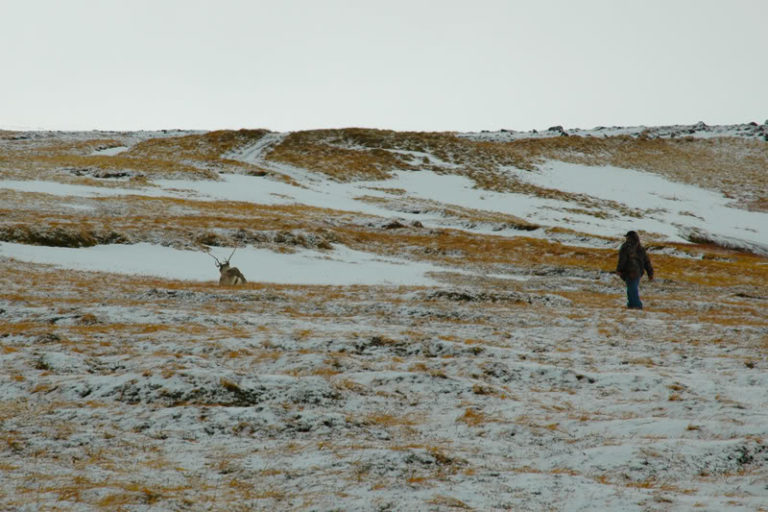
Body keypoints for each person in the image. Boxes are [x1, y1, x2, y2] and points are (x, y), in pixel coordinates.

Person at [616, 231, 654, 309]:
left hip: (629, 271)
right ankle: (632, 305)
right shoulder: (640, 248)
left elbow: (622, 259)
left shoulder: (625, 247)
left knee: (631, 290)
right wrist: (650, 273)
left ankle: (636, 305)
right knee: (632, 289)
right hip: (638, 272)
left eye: (627, 237)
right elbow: (647, 261)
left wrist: (619, 269)